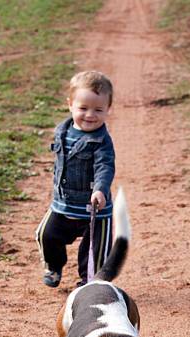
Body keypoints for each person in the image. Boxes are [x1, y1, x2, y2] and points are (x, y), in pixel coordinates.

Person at [36, 71, 115, 288]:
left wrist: (100, 189)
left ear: (108, 109)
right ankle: (53, 266)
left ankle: (89, 284)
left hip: (95, 210)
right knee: (46, 234)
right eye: (83, 108)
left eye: (98, 110)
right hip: (64, 203)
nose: (90, 115)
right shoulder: (62, 131)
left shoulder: (101, 141)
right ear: (70, 105)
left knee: (95, 254)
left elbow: (104, 167)